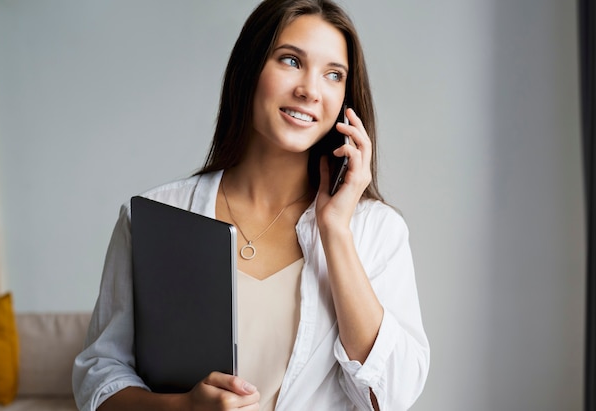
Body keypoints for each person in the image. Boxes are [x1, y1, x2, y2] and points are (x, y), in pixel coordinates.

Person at [72, 0, 430, 410]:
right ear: (248, 69)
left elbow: (392, 397)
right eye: (291, 60)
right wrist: (184, 408)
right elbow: (98, 378)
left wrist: (335, 232)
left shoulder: (376, 231)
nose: (310, 90)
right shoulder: (153, 215)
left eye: (334, 74)